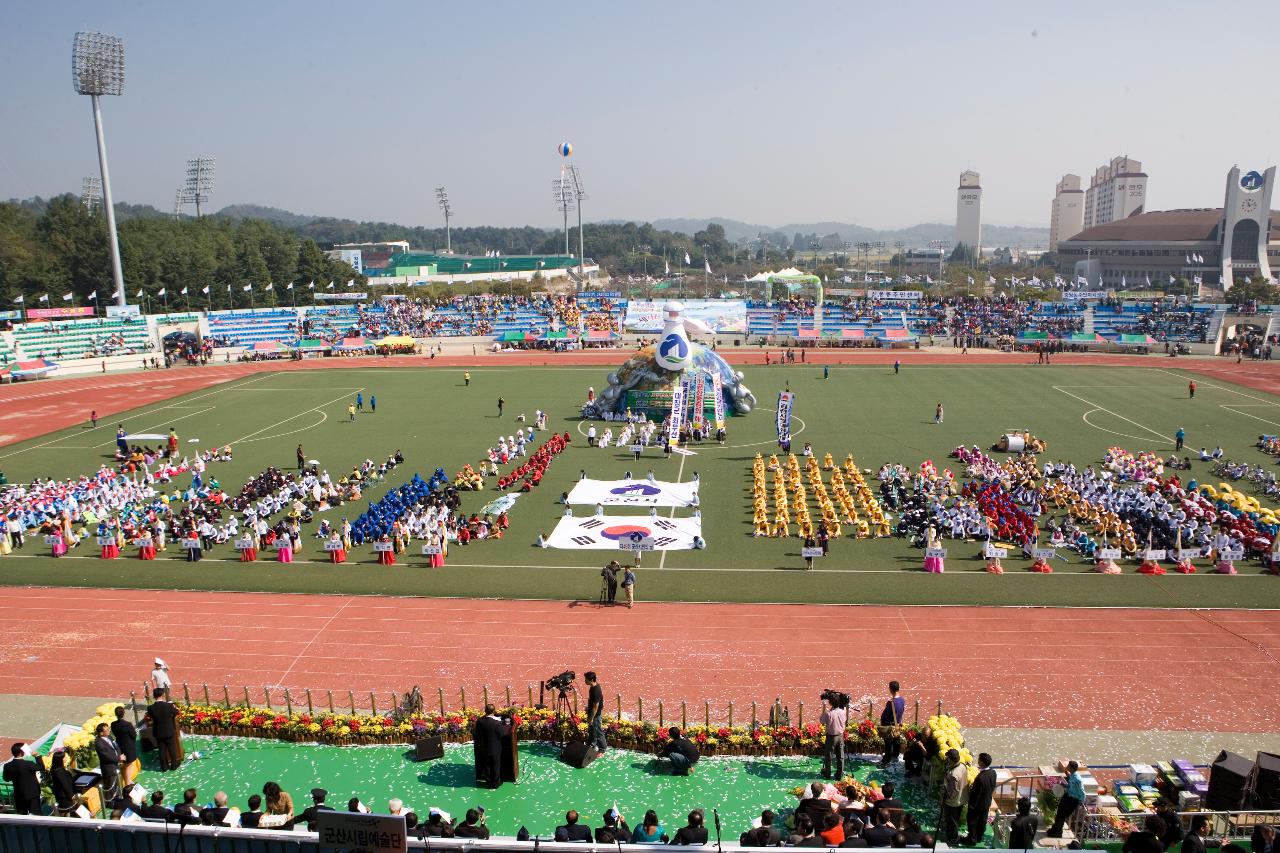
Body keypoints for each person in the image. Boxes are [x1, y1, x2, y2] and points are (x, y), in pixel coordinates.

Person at [962, 752, 997, 845]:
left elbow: (976, 794)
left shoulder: (980, 777)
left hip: (977, 804)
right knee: (983, 820)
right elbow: (993, 786)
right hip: (987, 801)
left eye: (979, 759)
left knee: (972, 821)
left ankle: (972, 839)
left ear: (982, 762)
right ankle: (979, 837)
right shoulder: (993, 772)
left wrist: (972, 806)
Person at [473, 703, 510, 789]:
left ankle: (489, 782)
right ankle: (495, 783)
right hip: (495, 748)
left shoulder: (480, 721)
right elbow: (501, 734)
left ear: (485, 711)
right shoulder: (497, 723)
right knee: (496, 765)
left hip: (483, 747)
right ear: (493, 711)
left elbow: (477, 733)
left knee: (487, 765)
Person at [145, 687, 181, 771]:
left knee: (161, 749)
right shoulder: (168, 705)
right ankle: (174, 765)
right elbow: (176, 712)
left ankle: (164, 767)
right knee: (171, 748)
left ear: (154, 696)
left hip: (158, 732)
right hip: (168, 730)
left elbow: (150, 717)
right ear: (162, 695)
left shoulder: (150, 708)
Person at [1047, 760, 1084, 837]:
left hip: (1072, 800)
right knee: (1059, 814)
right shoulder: (1072, 776)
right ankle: (1055, 830)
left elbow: (1081, 791)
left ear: (1071, 768)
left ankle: (1057, 832)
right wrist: (1063, 784)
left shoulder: (1077, 779)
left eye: (1068, 766)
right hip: (1067, 796)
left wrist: (1081, 801)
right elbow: (1070, 786)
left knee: (1062, 816)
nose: (1066, 767)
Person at [3, 743, 42, 815]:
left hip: (19, 794)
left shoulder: (7, 766)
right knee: (36, 814)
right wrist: (37, 756)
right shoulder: (29, 764)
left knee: (22, 815)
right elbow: (41, 768)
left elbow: (6, 779)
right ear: (21, 753)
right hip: (33, 794)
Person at [942, 748, 969, 845]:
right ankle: (952, 835)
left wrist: (944, 797)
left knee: (952, 820)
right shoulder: (962, 765)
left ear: (950, 759)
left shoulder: (953, 774)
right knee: (955, 819)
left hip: (953, 802)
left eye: (948, 758)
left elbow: (951, 791)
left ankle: (952, 839)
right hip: (961, 799)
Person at [878, 681, 905, 766]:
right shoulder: (902, 700)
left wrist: (882, 724)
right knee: (896, 740)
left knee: (888, 744)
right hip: (897, 725)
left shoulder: (891, 702)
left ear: (891, 689)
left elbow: (884, 716)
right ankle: (895, 755)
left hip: (890, 726)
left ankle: (886, 760)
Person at [820, 696, 847, 778]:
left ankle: (827, 773)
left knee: (828, 756)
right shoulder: (843, 711)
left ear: (830, 703)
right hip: (840, 736)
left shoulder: (829, 714)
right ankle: (839, 774)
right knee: (840, 756)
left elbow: (822, 721)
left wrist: (825, 711)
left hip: (831, 737)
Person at [95, 721, 122, 799]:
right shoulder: (99, 743)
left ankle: (118, 797)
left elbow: (116, 747)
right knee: (111, 785)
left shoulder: (109, 737)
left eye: (108, 729)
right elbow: (107, 757)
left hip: (116, 764)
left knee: (117, 783)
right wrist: (119, 758)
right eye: (106, 730)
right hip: (109, 768)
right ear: (101, 733)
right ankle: (111, 801)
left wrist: (119, 756)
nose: (109, 731)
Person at [47, 750, 76, 814]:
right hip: (65, 796)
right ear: (60, 759)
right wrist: (72, 796)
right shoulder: (59, 771)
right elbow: (65, 785)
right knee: (70, 812)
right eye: (64, 757)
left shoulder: (56, 769)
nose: (66, 758)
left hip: (62, 795)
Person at [585, 671, 606, 753]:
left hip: (595, 715)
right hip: (591, 713)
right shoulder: (592, 687)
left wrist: (591, 718)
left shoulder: (596, 690)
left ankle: (602, 748)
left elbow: (596, 706)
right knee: (592, 730)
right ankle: (591, 745)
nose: (585, 681)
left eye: (586, 679)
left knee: (598, 731)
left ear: (591, 679)